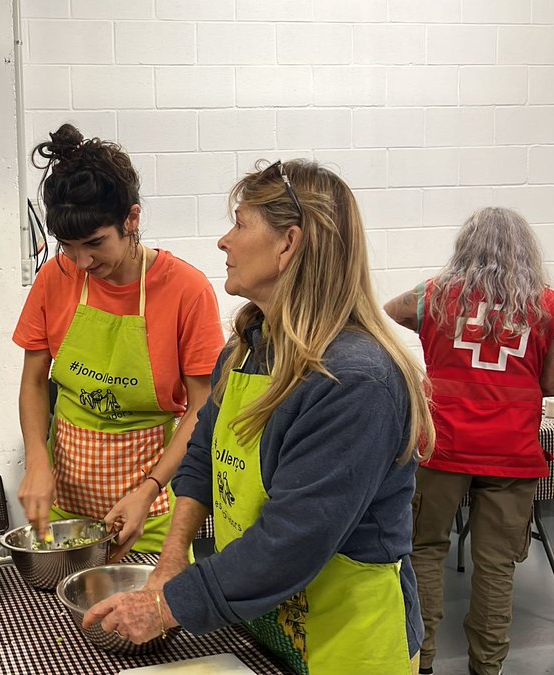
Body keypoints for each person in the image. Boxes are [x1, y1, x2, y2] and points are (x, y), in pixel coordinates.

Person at [84, 160, 433, 674]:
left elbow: (292, 540)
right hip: (265, 625)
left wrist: (167, 605)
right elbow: (202, 456)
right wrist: (173, 554)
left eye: (240, 224)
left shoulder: (355, 381)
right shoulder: (245, 351)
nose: (224, 241)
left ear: (288, 244)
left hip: (349, 644)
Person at [13, 124, 224, 561]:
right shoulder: (56, 278)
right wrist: (36, 458)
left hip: (149, 508)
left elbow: (202, 406)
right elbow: (34, 381)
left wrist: (149, 489)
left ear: (132, 219)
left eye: (95, 243)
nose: (83, 262)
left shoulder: (186, 289)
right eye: (69, 247)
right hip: (66, 506)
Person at [383, 207, 554, 675]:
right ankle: (487, 666)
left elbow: (386, 312)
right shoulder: (551, 307)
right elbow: (550, 386)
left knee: (425, 550)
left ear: (465, 246)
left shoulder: (434, 297)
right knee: (496, 565)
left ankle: (420, 661)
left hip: (443, 447)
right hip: (512, 452)